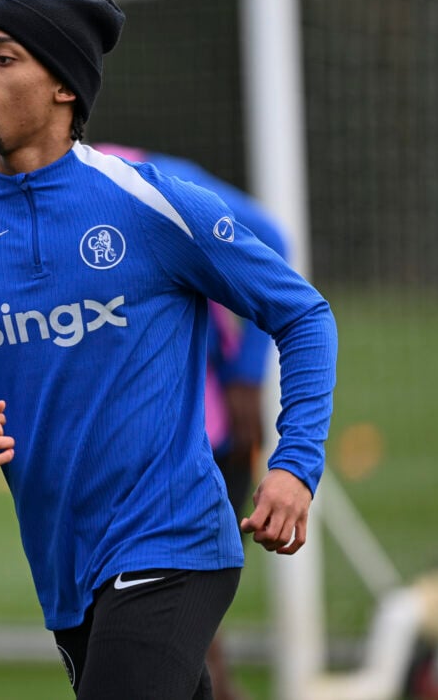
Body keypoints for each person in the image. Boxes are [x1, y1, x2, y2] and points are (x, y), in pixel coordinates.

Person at [0, 0, 338, 699]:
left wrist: (295, 465)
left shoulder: (153, 204)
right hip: (65, 572)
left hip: (174, 539)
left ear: (65, 87)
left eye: (2, 58)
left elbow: (305, 315)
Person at [94, 143, 289, 700]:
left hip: (201, 436)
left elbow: (269, 240)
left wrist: (247, 371)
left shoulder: (147, 179)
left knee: (180, 627)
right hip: (107, 450)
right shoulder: (13, 203)